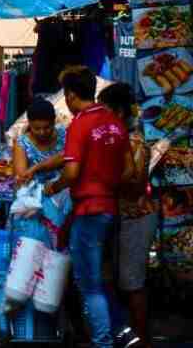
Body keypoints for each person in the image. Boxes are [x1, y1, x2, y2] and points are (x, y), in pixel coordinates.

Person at [44, 67, 135, 348]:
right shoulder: (114, 122)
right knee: (99, 277)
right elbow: (130, 170)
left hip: (89, 209)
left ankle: (106, 340)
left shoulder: (80, 124)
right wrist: (106, 183)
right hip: (110, 209)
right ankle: (122, 331)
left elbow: (71, 172)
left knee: (89, 282)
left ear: (71, 95)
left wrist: (54, 187)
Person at [99, 83, 153, 348]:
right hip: (121, 215)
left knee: (132, 282)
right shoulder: (118, 136)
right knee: (117, 280)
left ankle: (142, 341)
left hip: (136, 216)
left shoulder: (133, 140)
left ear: (118, 112)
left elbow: (132, 181)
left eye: (105, 110)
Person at [10, 97, 66, 247]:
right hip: (35, 205)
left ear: (54, 122)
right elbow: (22, 177)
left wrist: (36, 168)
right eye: (36, 128)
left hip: (63, 199)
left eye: (47, 127)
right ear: (29, 124)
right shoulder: (22, 143)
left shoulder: (65, 135)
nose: (42, 132)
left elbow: (66, 157)